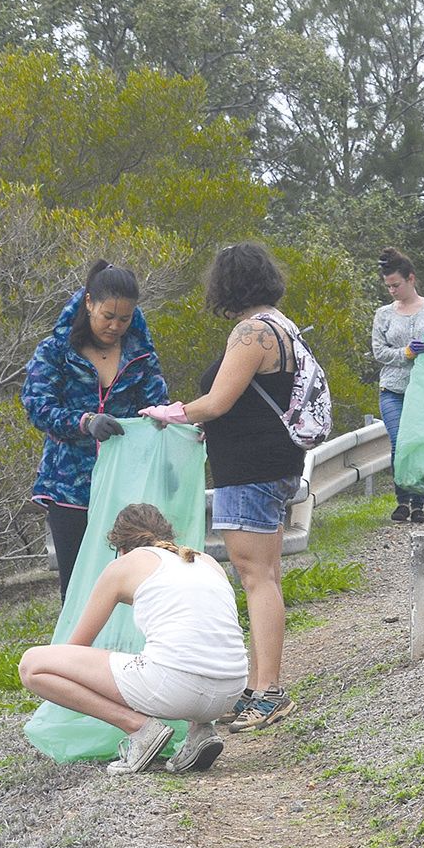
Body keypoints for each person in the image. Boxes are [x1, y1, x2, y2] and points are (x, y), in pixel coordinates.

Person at [138, 242, 302, 732]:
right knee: (265, 575)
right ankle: (260, 687)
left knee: (256, 578)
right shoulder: (282, 325)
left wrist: (171, 413)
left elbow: (219, 401)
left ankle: (268, 691)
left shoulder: (252, 332)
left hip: (250, 469)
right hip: (274, 463)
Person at [18, 503, 249, 775]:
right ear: (167, 536)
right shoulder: (205, 561)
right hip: (231, 691)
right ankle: (200, 732)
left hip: (178, 688)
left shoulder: (123, 566)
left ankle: (139, 729)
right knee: (180, 651)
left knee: (33, 665)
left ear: (120, 547)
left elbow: (74, 648)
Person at [22, 260, 169, 598]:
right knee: (76, 585)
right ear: (89, 302)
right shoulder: (55, 351)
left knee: (132, 580)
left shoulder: (141, 356)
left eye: (125, 318)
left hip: (127, 484)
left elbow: (157, 407)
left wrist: (180, 426)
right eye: (108, 316)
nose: (115, 326)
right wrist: (84, 422)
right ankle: (76, 650)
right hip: (70, 487)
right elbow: (38, 407)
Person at [370, 247, 424, 524]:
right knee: (400, 442)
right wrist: (405, 353)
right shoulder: (383, 314)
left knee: (419, 444)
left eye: (396, 285)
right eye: (388, 287)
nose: (392, 291)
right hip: (393, 389)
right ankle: (402, 500)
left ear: (410, 279)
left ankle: (418, 504)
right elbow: (379, 352)